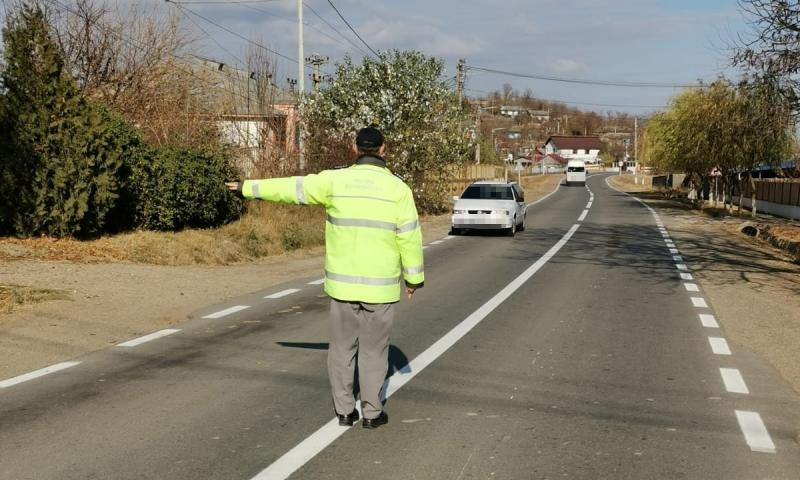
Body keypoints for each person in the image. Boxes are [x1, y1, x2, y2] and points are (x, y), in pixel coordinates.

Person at [225, 127, 424, 429]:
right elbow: (409, 236)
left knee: (342, 349)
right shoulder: (399, 190)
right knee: (374, 352)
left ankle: (344, 411)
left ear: (355, 149)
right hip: (380, 289)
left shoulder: (334, 180)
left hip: (342, 286)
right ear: (384, 149)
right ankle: (372, 413)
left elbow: (291, 189)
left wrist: (246, 187)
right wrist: (413, 279)